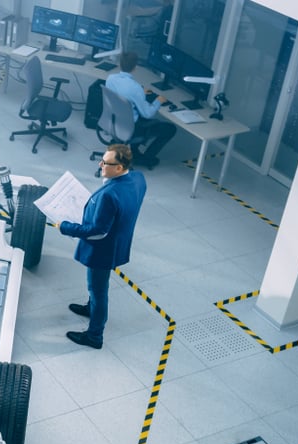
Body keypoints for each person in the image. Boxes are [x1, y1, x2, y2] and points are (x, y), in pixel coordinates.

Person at [59, 144, 147, 349]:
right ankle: (91, 308)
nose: (100, 165)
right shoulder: (138, 178)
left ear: (118, 167)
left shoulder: (109, 194)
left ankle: (94, 336)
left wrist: (65, 227)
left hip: (102, 251)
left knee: (98, 290)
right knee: (97, 288)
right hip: (119, 242)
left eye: (106, 163)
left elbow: (98, 231)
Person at [104, 51, 177, 167]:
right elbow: (147, 114)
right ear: (135, 67)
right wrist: (158, 101)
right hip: (131, 128)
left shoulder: (110, 78)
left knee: (137, 115)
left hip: (114, 122)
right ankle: (147, 158)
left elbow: (123, 95)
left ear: (119, 64)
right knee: (170, 129)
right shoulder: (135, 88)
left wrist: (139, 95)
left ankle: (135, 152)